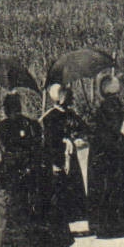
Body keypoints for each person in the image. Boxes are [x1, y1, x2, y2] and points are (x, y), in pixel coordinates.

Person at [0, 93, 71, 247]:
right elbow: (0, 151)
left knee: (31, 208)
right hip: (12, 173)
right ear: (6, 109)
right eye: (11, 108)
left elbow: (38, 147)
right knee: (8, 209)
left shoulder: (29, 124)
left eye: (15, 107)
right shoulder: (0, 128)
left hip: (29, 171)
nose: (13, 111)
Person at [85, 76, 124, 237]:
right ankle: (116, 224)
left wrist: (94, 127)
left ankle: (106, 226)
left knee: (105, 186)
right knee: (114, 185)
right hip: (112, 148)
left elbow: (109, 128)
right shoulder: (116, 104)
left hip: (105, 150)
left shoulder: (108, 105)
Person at [40, 83, 87, 226]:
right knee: (60, 189)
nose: (71, 100)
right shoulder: (49, 117)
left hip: (70, 156)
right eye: (68, 97)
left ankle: (73, 219)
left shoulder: (70, 114)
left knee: (73, 187)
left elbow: (83, 128)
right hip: (58, 157)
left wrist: (78, 138)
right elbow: (49, 142)